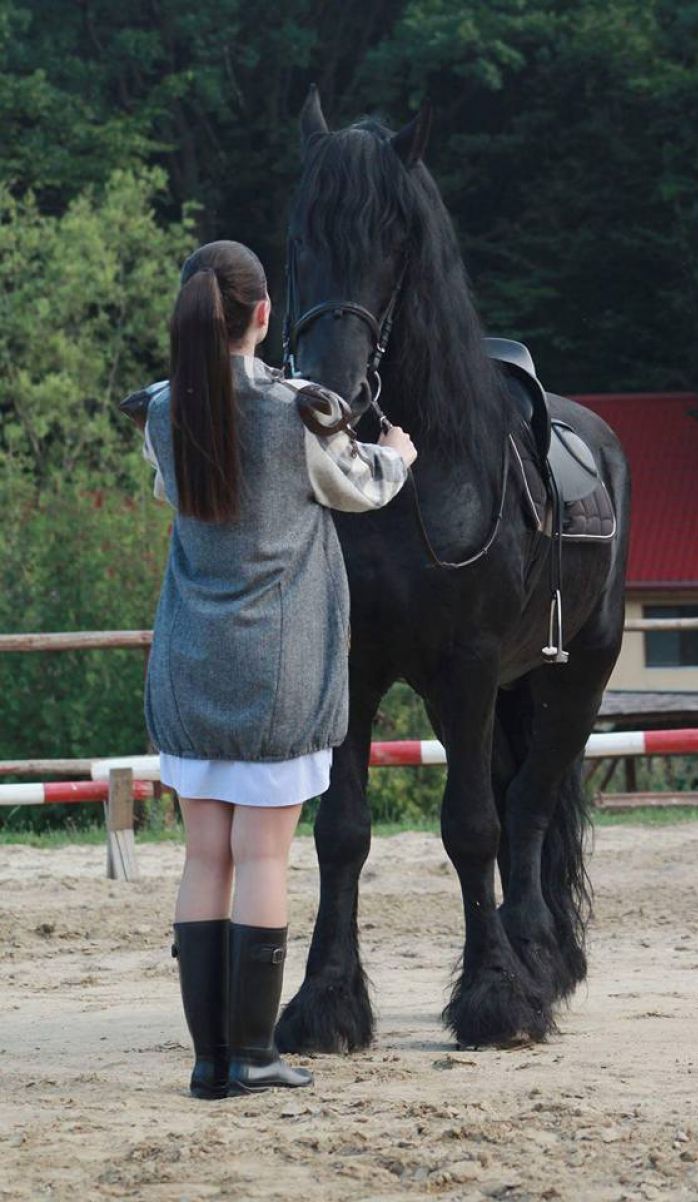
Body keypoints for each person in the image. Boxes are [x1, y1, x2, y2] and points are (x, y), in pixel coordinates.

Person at [134, 239, 416, 1099]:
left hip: (189, 664)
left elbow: (169, 492)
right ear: (263, 316)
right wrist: (400, 452)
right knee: (263, 857)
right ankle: (252, 1054)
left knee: (204, 856)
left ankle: (208, 1061)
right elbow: (361, 484)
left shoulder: (157, 411)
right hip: (276, 671)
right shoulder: (301, 411)